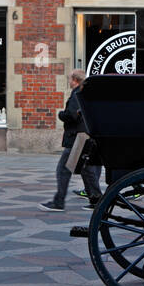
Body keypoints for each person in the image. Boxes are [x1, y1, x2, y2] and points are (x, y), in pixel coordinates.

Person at [40, 69, 104, 212]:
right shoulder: (85, 93)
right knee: (85, 169)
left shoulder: (76, 94)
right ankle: (96, 200)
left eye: (69, 79)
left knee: (63, 169)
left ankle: (58, 202)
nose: (68, 81)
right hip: (83, 136)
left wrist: (61, 114)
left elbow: (72, 115)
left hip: (76, 137)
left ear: (75, 80)